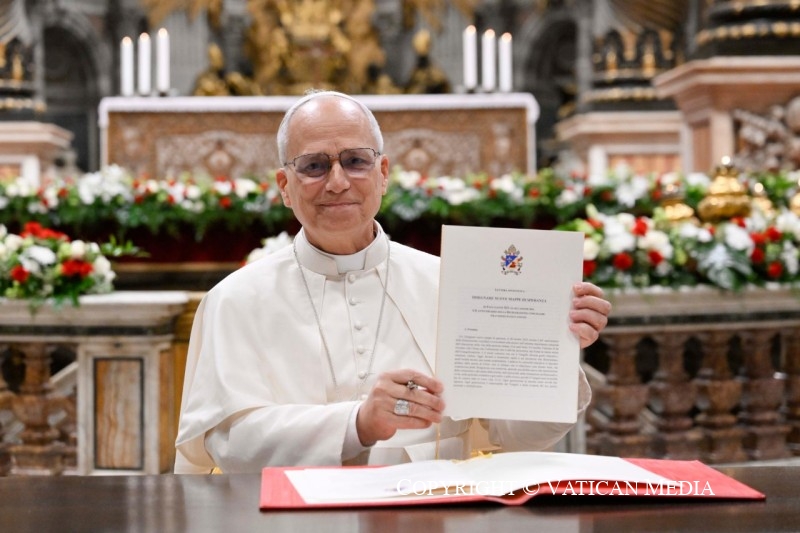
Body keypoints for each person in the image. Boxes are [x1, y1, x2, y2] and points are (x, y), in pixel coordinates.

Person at [174, 90, 612, 474]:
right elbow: (230, 443)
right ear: (285, 186)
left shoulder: (452, 284)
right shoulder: (234, 299)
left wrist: (555, 354)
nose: (338, 181)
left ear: (383, 172)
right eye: (313, 166)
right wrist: (358, 423)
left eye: (355, 161)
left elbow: (512, 436)